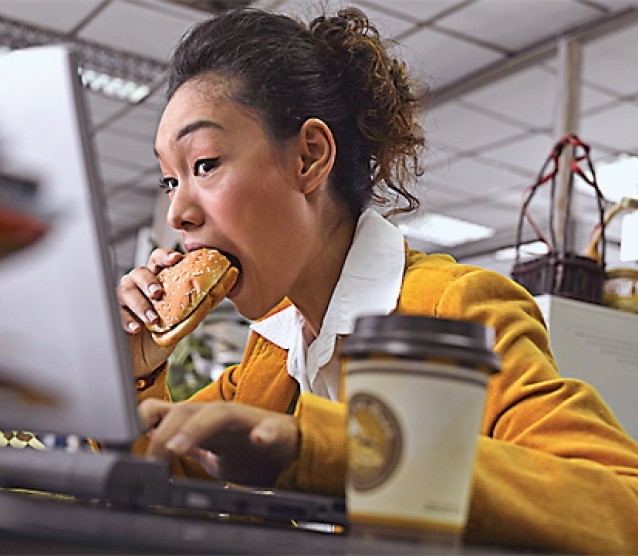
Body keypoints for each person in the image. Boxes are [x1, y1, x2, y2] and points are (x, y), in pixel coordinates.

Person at [115, 6, 638, 553]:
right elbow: (158, 487)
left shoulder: (456, 306)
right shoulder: (274, 346)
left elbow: (621, 506)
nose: (177, 213)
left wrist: (320, 450)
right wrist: (133, 373)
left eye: (204, 165)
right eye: (169, 180)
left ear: (309, 158)